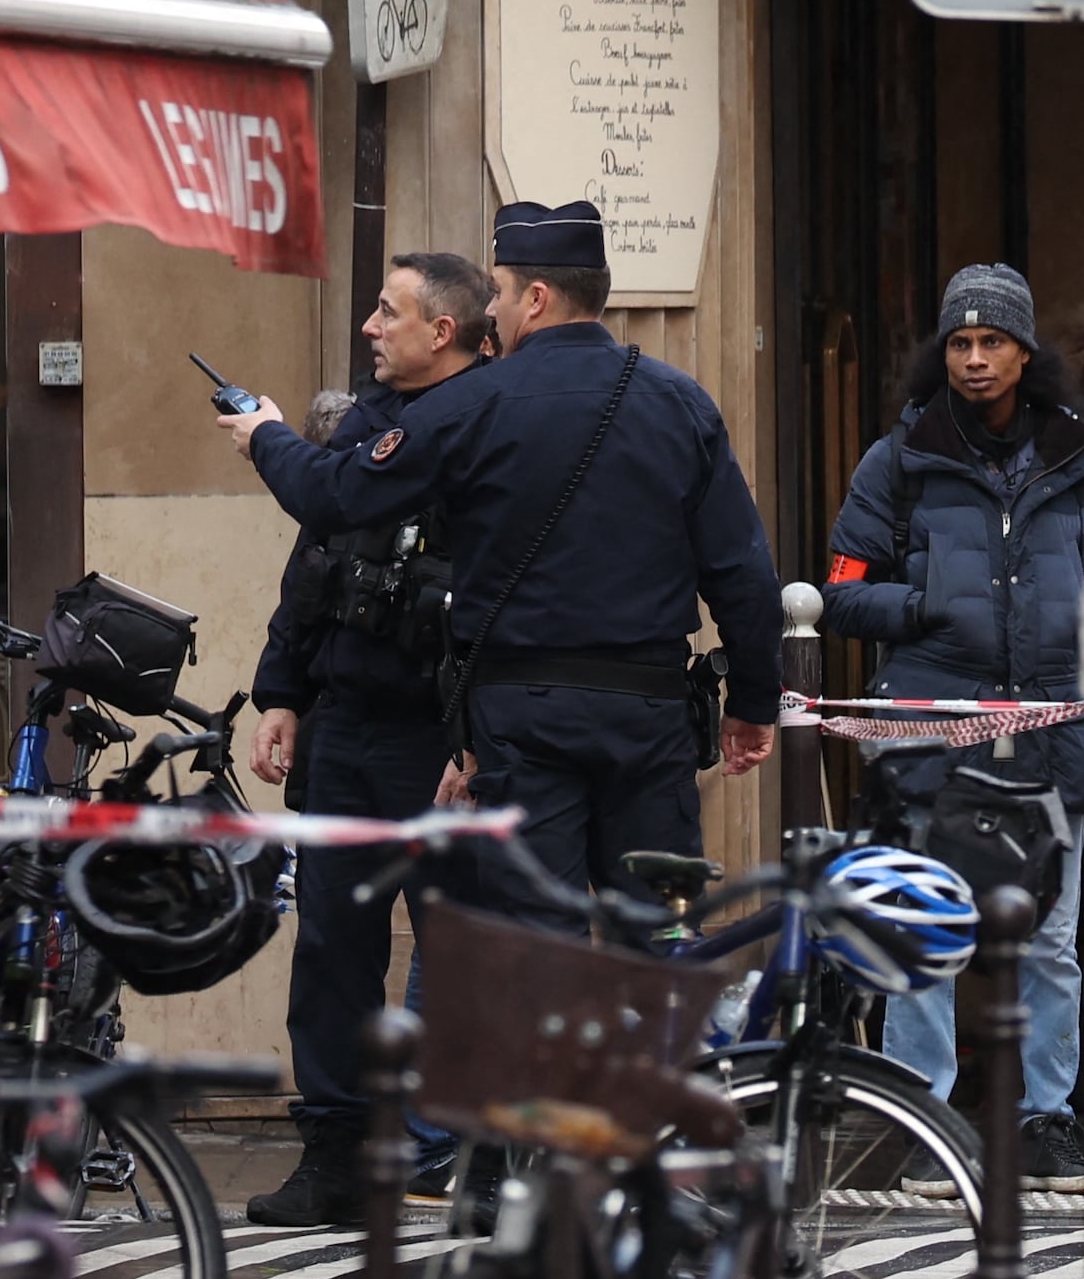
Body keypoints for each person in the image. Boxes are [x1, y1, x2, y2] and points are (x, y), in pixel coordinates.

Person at [233, 197, 779, 911]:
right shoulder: (682, 403)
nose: (490, 309)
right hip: (649, 714)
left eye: (498, 291)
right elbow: (741, 571)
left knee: (533, 948)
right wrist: (754, 700)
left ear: (538, 298)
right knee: (658, 940)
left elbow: (336, 496)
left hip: (523, 721)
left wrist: (266, 436)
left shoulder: (473, 404)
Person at [223, 249, 492, 1225]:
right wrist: (283, 692)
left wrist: (479, 738)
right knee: (332, 945)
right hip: (347, 723)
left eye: (389, 312)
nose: (371, 327)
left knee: (462, 945)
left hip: (439, 734)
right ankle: (334, 1157)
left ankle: (474, 1155)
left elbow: (507, 598)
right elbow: (318, 561)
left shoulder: (482, 424)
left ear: (444, 331)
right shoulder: (373, 422)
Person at [820, 261, 1084, 1187]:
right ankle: (920, 1113)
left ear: (1025, 351)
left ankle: (1047, 1119)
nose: (975, 360)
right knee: (925, 924)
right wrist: (931, 599)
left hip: (1052, 720)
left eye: (994, 342)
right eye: (960, 343)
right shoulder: (898, 459)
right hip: (934, 725)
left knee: (1051, 939)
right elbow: (842, 595)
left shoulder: (1079, 452)